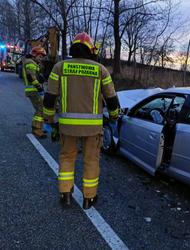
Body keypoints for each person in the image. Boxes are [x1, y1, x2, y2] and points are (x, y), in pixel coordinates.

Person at [43, 32, 120, 209]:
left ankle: (66, 194)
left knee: (67, 157)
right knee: (91, 160)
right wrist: (114, 116)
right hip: (92, 129)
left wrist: (50, 120)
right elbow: (112, 100)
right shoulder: (101, 69)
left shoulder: (59, 67)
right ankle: (89, 198)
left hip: (67, 127)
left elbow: (49, 98)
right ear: (90, 49)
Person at [22, 46, 47, 138]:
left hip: (33, 89)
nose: (41, 59)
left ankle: (37, 127)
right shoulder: (30, 62)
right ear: (34, 55)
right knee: (40, 108)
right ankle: (37, 129)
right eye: (40, 57)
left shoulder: (32, 63)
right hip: (33, 90)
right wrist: (38, 85)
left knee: (40, 108)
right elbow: (30, 76)